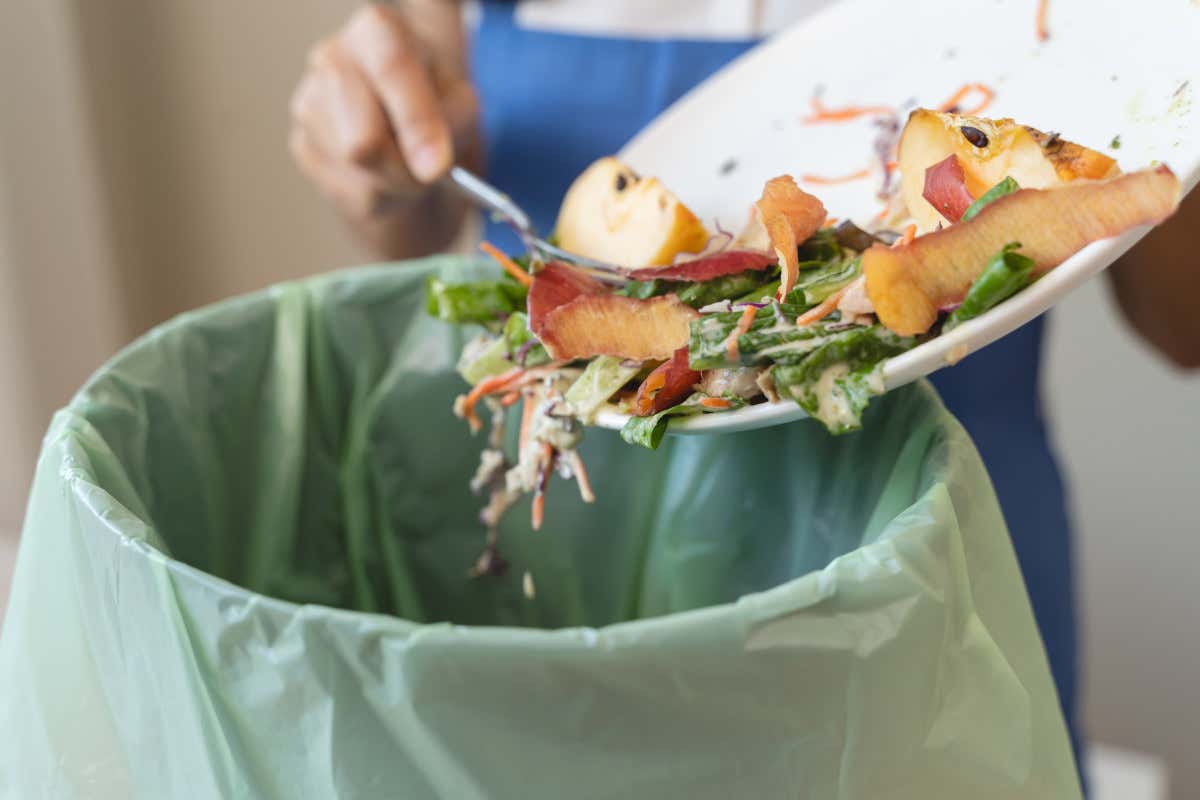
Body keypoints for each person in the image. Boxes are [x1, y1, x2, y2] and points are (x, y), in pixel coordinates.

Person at [289, 0, 1200, 779]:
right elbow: (406, 215)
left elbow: (1183, 326)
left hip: (953, 579)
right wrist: (373, 146)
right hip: (591, 592)